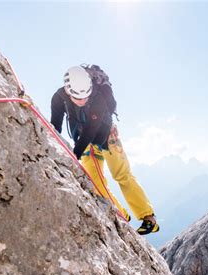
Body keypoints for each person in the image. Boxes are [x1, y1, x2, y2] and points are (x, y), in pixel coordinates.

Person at [50, 64, 159, 235]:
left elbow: (91, 130)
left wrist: (74, 154)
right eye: (78, 98)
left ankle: (148, 218)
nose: (83, 101)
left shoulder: (99, 96)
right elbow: (55, 125)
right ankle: (120, 214)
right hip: (84, 142)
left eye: (85, 96)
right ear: (68, 91)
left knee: (121, 174)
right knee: (95, 182)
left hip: (108, 137)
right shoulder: (58, 98)